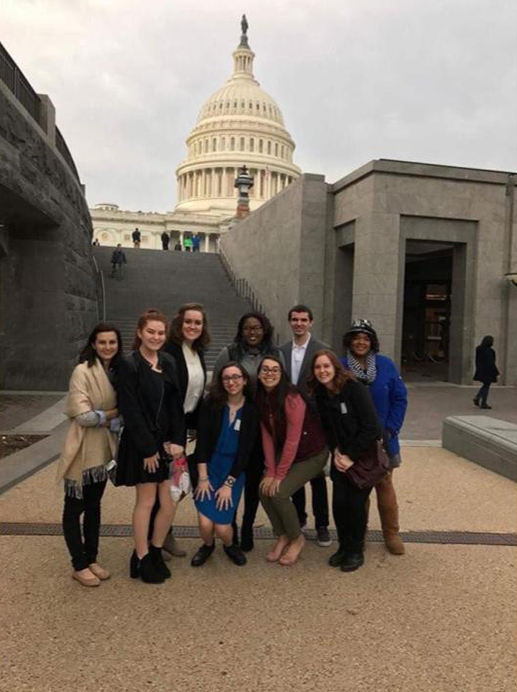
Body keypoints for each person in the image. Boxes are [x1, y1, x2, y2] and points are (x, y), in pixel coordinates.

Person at [115, 309, 186, 584]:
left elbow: (175, 406)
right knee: (146, 501)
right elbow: (131, 411)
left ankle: (155, 549)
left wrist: (179, 440)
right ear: (139, 333)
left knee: (169, 501)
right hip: (142, 445)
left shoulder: (168, 361)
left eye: (160, 332)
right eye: (151, 332)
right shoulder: (129, 364)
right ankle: (142, 556)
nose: (156, 337)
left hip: (168, 445)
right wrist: (148, 449)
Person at [57, 323, 123, 587]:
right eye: (102, 342)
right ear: (93, 344)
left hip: (104, 449)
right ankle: (79, 564)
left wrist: (106, 418)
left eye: (112, 342)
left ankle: (92, 557)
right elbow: (82, 416)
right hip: (82, 449)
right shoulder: (82, 371)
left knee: (94, 506)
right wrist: (112, 414)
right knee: (74, 508)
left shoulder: (117, 372)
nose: (108, 347)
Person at [213, 312, 284, 551]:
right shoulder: (230, 353)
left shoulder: (275, 354)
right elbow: (217, 385)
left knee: (254, 478)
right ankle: (229, 524)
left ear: (265, 330)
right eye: (247, 328)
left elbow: (282, 385)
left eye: (257, 328)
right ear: (240, 330)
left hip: (262, 423)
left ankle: (247, 525)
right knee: (229, 475)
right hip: (233, 419)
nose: (252, 332)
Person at [309, 350, 381, 572]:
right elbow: (328, 429)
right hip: (341, 456)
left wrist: (351, 456)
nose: (323, 371)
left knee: (355, 505)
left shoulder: (354, 389)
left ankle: (356, 550)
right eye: (318, 367)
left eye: (326, 366)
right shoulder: (321, 394)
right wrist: (336, 453)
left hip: (362, 456)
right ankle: (343, 546)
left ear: (335, 368)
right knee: (339, 504)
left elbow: (372, 427)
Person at [148, 303, 210, 560]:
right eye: (188, 321)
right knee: (164, 486)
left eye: (197, 322)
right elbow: (170, 396)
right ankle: (155, 539)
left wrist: (194, 425)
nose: (193, 326)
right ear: (179, 323)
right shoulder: (170, 351)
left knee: (174, 486)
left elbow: (193, 393)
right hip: (166, 430)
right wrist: (176, 433)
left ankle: (164, 534)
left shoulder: (197, 352)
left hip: (182, 427)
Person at [341, 319, 408, 555]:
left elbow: (400, 398)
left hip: (384, 438)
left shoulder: (386, 365)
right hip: (355, 439)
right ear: (349, 341)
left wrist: (391, 428)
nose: (361, 342)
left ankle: (391, 533)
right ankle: (361, 533)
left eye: (366, 338)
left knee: (385, 484)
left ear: (372, 342)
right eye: (356, 337)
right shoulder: (340, 367)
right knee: (360, 487)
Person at [257, 356, 329, 566]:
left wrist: (279, 475)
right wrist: (270, 471)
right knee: (263, 489)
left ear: (282, 374)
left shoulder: (292, 396)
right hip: (290, 453)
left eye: (275, 370)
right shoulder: (261, 396)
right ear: (259, 373)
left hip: (311, 452)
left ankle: (297, 538)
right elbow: (267, 436)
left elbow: (293, 438)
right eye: (266, 370)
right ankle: (282, 535)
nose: (270, 374)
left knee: (279, 493)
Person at [191, 362, 259, 567]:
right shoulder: (211, 404)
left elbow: (245, 453)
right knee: (205, 524)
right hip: (209, 467)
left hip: (234, 471)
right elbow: (201, 443)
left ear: (245, 380)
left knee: (222, 528)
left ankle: (229, 546)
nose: (232, 382)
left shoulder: (251, 410)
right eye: (227, 378)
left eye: (236, 377)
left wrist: (229, 485)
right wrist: (202, 478)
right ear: (221, 382)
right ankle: (208, 546)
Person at [280, 304, 331, 547]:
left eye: (303, 319)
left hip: (316, 421)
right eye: (294, 319)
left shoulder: (323, 350)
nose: (299, 323)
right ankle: (299, 519)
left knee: (318, 477)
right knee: (295, 472)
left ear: (311, 322)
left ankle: (322, 525)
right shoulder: (280, 351)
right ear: (290, 322)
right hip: (291, 421)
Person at [473, 336, 499, 409]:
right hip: (488, 371)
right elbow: (491, 362)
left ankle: (478, 397)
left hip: (481, 370)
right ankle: (483, 402)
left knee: (485, 385)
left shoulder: (478, 349)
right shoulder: (490, 351)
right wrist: (496, 372)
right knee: (486, 386)